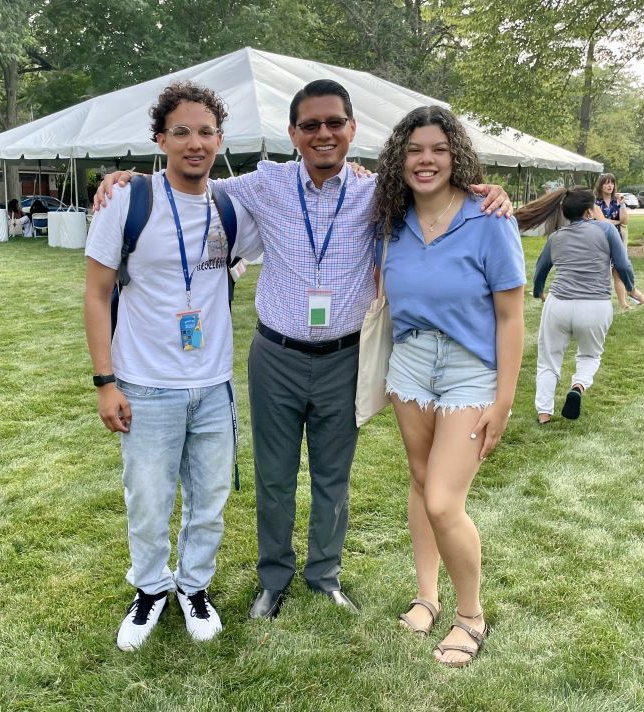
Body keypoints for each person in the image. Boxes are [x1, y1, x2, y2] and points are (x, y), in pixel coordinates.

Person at [94, 80, 513, 621]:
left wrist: (488, 188)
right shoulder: (263, 183)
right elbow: (190, 180)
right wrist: (125, 179)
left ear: (352, 130)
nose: (323, 134)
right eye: (310, 125)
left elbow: (439, 186)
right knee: (273, 476)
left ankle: (324, 576)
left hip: (344, 358)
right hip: (277, 357)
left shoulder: (377, 191)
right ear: (292, 133)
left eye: (334, 123)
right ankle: (273, 579)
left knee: (333, 478)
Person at [84, 81, 263, 651]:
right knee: (149, 500)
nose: (194, 142)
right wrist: (105, 381)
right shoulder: (128, 201)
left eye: (206, 132)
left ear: (219, 140)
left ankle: (194, 586)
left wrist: (354, 177)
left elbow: (303, 203)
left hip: (214, 386)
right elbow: (96, 293)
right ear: (159, 137)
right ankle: (150, 590)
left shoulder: (232, 207)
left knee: (209, 501)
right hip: (145, 384)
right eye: (181, 131)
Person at [372, 106, 525, 668]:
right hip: (409, 364)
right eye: (414, 150)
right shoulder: (389, 221)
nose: (426, 160)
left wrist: (503, 401)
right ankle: (427, 597)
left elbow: (511, 318)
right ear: (399, 159)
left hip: (469, 371)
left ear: (455, 154)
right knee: (418, 481)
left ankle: (471, 617)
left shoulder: (490, 218)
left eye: (437, 148)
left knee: (443, 499)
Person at [516, 188, 638, 424]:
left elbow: (540, 271)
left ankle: (544, 413)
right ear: (589, 211)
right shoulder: (606, 230)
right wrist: (631, 288)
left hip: (559, 304)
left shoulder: (556, 238)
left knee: (549, 359)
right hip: (595, 306)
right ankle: (578, 387)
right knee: (590, 355)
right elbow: (623, 264)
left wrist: (540, 291)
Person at [594, 173, 644, 309]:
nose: (610, 185)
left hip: (617, 239)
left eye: (612, 182)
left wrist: (622, 205)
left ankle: (623, 303)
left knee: (619, 270)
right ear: (601, 185)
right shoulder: (595, 202)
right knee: (601, 271)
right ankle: (600, 301)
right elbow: (601, 221)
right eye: (606, 183)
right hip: (600, 240)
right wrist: (616, 221)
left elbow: (625, 221)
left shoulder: (618, 201)